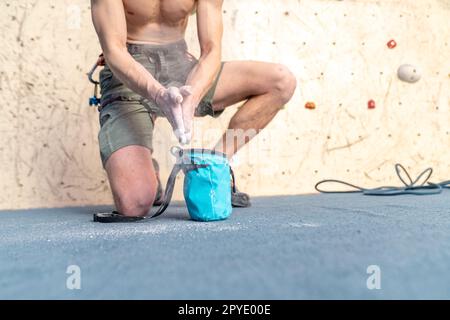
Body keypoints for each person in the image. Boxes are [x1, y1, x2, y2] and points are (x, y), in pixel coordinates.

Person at [90, 0, 297, 217]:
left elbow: (211, 50)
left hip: (181, 65)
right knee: (135, 204)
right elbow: (114, 51)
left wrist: (193, 94)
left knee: (281, 82)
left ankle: (213, 166)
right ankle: (149, 168)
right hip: (128, 70)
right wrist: (158, 93)